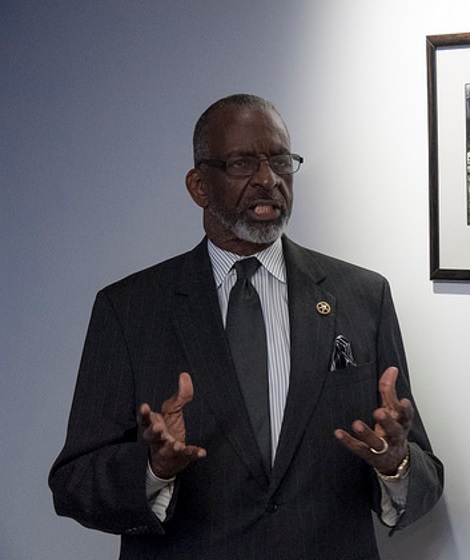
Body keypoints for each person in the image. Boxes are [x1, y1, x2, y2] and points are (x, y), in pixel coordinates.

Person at [49, 94, 444, 560]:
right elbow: (73, 484)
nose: (268, 179)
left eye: (280, 161)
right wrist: (153, 468)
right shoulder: (129, 310)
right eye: (242, 164)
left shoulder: (362, 296)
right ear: (199, 186)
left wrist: (396, 465)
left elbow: (425, 478)